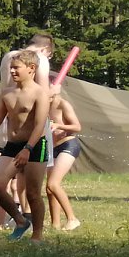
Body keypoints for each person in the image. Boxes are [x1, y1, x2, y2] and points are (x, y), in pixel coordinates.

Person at [0, 53, 52, 241]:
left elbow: (40, 126)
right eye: (11, 68)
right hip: (13, 145)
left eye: (16, 68)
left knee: (32, 193)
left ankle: (37, 236)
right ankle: (20, 221)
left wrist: (27, 149)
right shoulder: (6, 92)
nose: (12, 71)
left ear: (31, 68)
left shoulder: (40, 93)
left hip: (36, 144)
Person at [46, 88, 83, 231]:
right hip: (52, 147)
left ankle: (72, 219)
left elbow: (77, 126)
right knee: (49, 189)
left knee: (53, 184)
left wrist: (59, 125)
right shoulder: (44, 105)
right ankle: (55, 224)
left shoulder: (63, 104)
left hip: (68, 144)